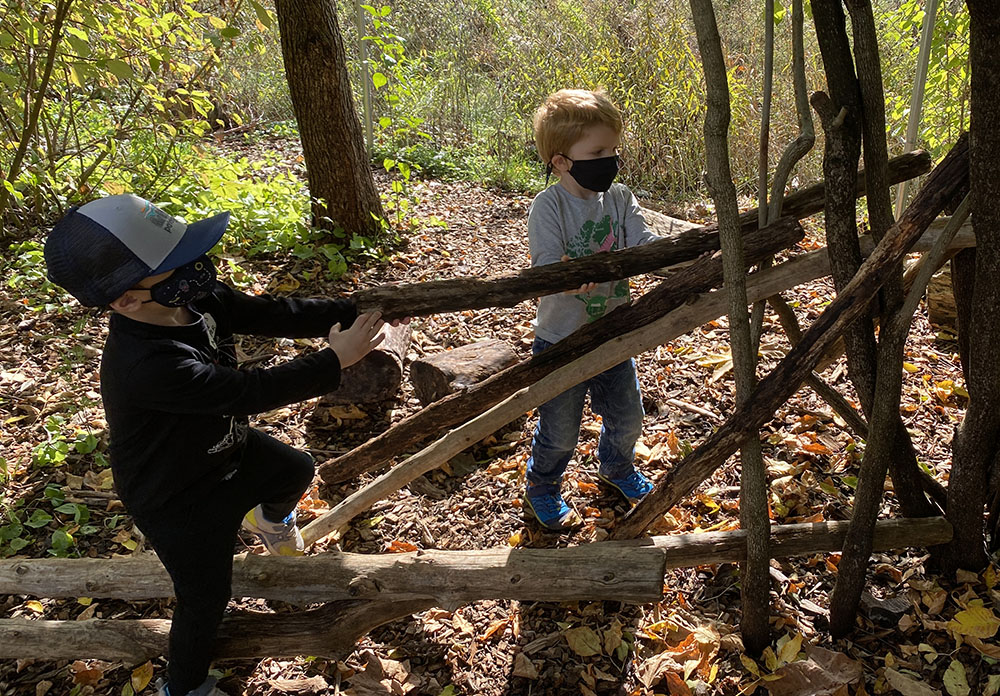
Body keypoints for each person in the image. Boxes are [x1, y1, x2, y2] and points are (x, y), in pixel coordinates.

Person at [44, 193, 395, 696]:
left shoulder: (191, 298)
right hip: (175, 496)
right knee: (206, 598)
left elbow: (267, 312)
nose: (197, 269)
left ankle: (267, 520)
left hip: (224, 448)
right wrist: (333, 360)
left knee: (294, 469)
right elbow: (249, 391)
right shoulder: (144, 364)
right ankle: (183, 686)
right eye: (177, 265)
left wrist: (348, 311)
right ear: (125, 299)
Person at [524, 88, 658, 531]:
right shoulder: (549, 206)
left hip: (614, 331)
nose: (611, 159)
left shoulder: (619, 199)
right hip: (562, 338)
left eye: (613, 150)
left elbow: (644, 244)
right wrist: (567, 273)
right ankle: (543, 486)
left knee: (628, 415)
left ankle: (616, 468)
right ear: (562, 160)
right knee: (560, 430)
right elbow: (546, 264)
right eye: (598, 151)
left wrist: (683, 253)